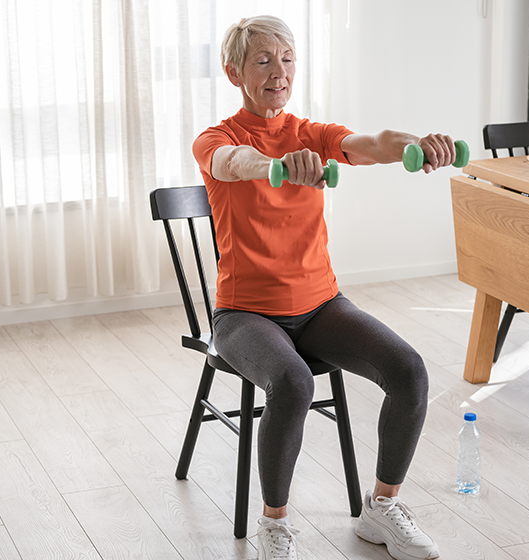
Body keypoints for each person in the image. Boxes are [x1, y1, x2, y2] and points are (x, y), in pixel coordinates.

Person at [192, 15, 451, 560]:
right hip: (245, 315)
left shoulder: (309, 133)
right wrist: (279, 167)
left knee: (408, 370)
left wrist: (417, 143)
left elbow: (371, 142)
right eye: (263, 60)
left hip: (319, 306)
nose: (278, 72)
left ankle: (380, 509)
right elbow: (235, 164)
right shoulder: (216, 138)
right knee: (293, 382)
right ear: (234, 70)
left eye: (286, 60)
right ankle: (276, 527)